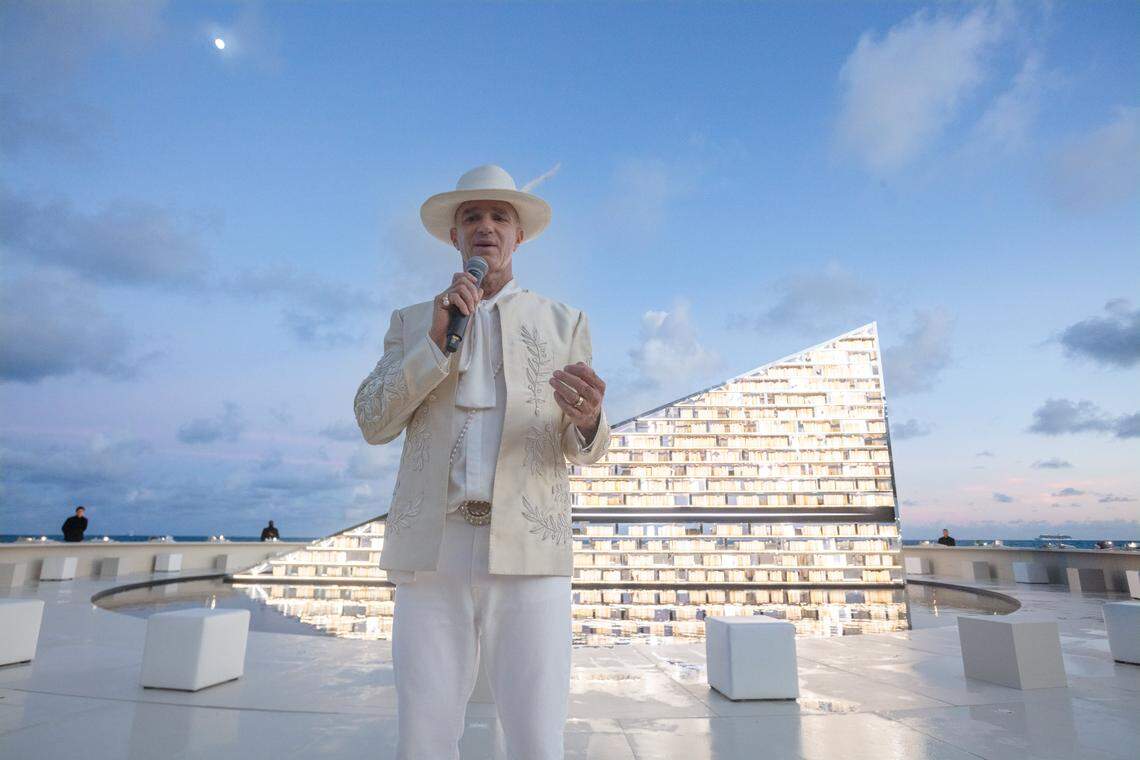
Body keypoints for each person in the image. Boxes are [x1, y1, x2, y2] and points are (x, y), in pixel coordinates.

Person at [354, 164, 610, 760]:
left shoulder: (564, 322)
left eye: (500, 217)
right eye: (472, 217)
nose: (486, 227)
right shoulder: (413, 321)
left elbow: (589, 449)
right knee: (422, 734)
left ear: (519, 237)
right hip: (432, 549)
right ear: (454, 237)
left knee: (537, 734)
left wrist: (590, 419)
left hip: (530, 550)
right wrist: (432, 346)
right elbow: (372, 419)